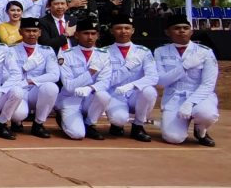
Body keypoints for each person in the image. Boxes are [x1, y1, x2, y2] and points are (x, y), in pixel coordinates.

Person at [154, 14, 219, 146]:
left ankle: (200, 130)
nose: (182, 31)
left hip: (200, 96)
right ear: (167, 32)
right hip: (174, 97)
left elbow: (208, 84)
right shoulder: (160, 51)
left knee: (206, 114)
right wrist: (184, 66)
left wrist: (190, 103)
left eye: (185, 28)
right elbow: (161, 82)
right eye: (177, 28)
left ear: (191, 31)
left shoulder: (205, 52)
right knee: (173, 138)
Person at [56, 20, 112, 140]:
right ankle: (62, 118)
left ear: (98, 35)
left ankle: (90, 123)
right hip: (71, 98)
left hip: (91, 98)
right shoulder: (65, 55)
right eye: (86, 33)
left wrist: (90, 88)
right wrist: (91, 72)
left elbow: (105, 81)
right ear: (77, 35)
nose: (90, 37)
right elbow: (69, 86)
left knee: (103, 96)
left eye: (93, 33)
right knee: (77, 134)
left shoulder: (104, 54)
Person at [105, 14, 157, 142]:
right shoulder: (104, 52)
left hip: (136, 93)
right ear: (111, 31)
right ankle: (117, 124)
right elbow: (105, 80)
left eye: (127, 28)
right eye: (119, 28)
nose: (123, 31)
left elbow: (152, 77)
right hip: (115, 94)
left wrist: (132, 86)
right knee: (119, 119)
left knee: (149, 91)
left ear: (132, 30)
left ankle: (138, 126)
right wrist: (127, 68)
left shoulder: (143, 51)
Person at [8, 17, 59, 139]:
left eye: (35, 31)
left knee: (51, 88)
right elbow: (5, 75)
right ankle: (16, 122)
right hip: (18, 90)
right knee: (19, 114)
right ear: (20, 32)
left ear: (40, 33)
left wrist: (30, 81)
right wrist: (23, 69)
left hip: (36, 90)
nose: (32, 34)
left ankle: (38, 124)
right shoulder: (11, 50)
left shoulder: (47, 51)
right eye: (28, 31)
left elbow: (54, 75)